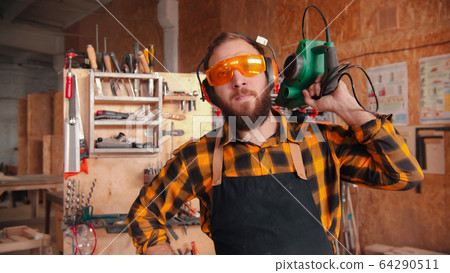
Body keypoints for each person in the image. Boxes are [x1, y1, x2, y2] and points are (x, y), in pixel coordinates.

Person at [127, 32, 423, 255]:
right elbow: (144, 216)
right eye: (222, 73)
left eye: (249, 65)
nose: (239, 79)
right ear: (209, 92)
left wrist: (348, 108)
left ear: (269, 74)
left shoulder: (320, 142)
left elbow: (404, 175)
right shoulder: (199, 157)